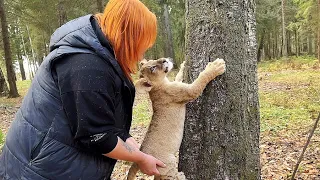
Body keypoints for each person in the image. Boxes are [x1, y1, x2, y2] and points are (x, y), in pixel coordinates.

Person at [0, 0, 165, 179]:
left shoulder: (101, 55)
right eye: (142, 43)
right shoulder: (87, 66)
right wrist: (141, 158)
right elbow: (98, 136)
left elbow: (108, 122)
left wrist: (136, 150)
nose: (142, 53)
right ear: (129, 35)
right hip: (39, 169)